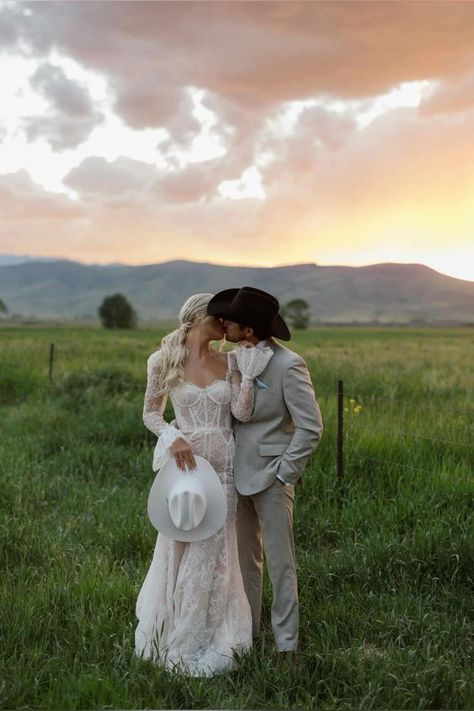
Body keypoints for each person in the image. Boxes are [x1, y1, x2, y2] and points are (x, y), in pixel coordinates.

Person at [134, 293, 272, 677]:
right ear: (198, 319)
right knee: (180, 542)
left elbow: (242, 412)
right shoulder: (162, 361)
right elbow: (150, 413)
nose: (226, 325)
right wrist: (170, 436)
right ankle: (174, 626)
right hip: (186, 469)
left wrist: (249, 374)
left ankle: (206, 632)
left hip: (224, 469)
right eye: (219, 318)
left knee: (214, 550)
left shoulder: (230, 360)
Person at [207, 286, 323, 659]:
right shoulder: (233, 359)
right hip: (233, 475)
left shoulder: (289, 365)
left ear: (250, 330)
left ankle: (286, 646)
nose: (226, 325)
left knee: (280, 563)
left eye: (233, 322)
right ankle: (249, 635)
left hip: (273, 476)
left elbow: (311, 426)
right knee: (245, 562)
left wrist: (285, 473)